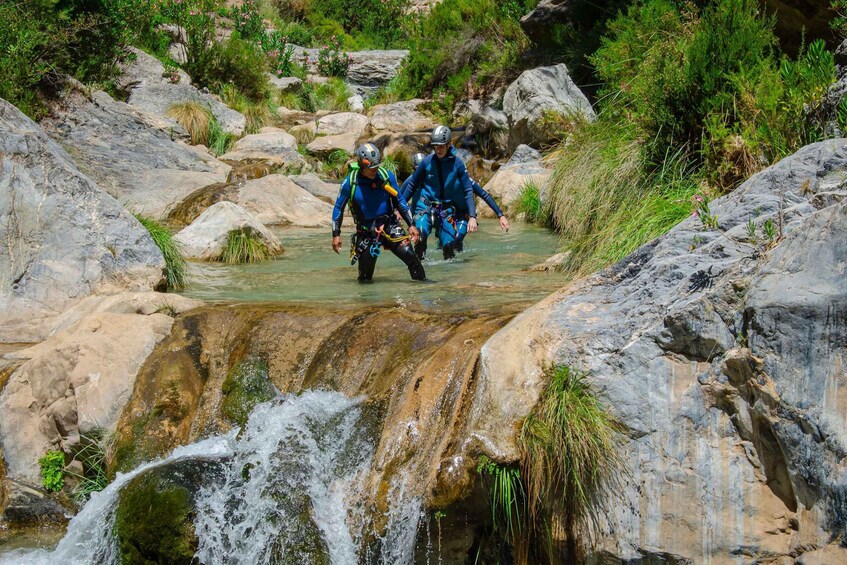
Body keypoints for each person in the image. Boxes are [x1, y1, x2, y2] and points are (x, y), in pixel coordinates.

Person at [331, 143, 426, 282]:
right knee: (365, 278)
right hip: (366, 232)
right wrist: (336, 235)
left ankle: (424, 291)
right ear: (362, 165)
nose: (375, 170)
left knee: (412, 258)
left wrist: (411, 224)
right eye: (371, 168)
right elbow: (338, 208)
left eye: (376, 166)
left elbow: (400, 201)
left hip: (389, 225)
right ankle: (368, 304)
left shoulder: (385, 176)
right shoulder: (350, 182)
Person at [401, 142, 510, 257]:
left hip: (462, 214)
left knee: (456, 241)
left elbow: (484, 195)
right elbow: (402, 195)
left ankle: (456, 258)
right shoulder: (423, 178)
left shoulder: (464, 179)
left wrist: (499, 215)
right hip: (442, 212)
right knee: (432, 239)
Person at [401, 126, 478, 260]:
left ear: (449, 144)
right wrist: (398, 209)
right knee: (420, 238)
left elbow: (468, 190)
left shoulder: (458, 164)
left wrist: (472, 216)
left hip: (445, 211)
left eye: (442, 146)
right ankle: (419, 270)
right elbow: (412, 186)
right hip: (425, 208)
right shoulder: (426, 163)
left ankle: (448, 279)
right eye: (436, 146)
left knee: (449, 247)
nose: (438, 149)